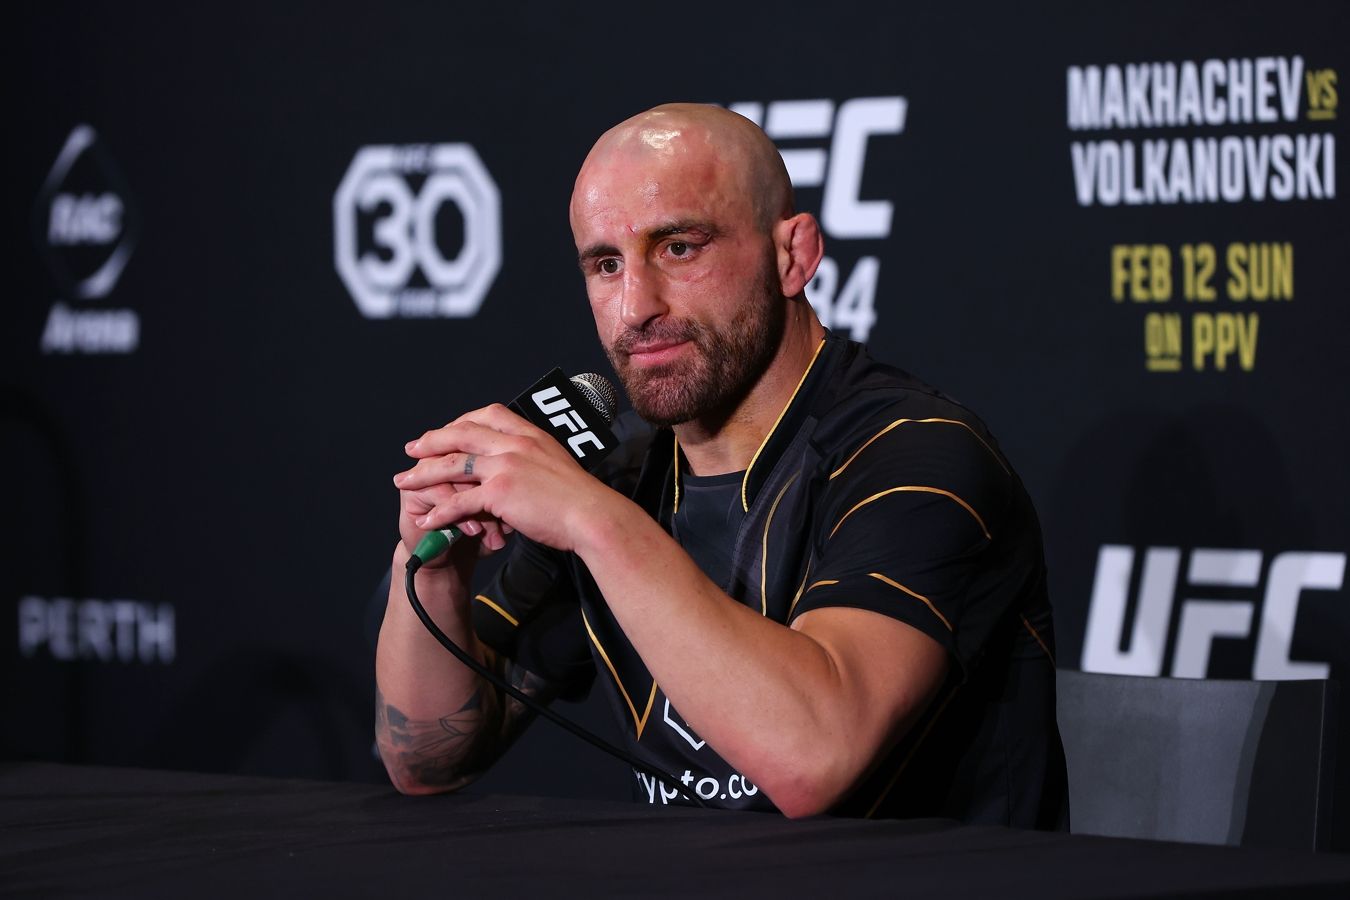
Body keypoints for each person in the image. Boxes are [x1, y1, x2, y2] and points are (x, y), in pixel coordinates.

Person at [375, 103, 1067, 826]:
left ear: (792, 256)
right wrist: (437, 568)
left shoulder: (919, 454)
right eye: (607, 264)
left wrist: (593, 523)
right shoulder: (620, 479)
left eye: (679, 248)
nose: (635, 307)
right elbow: (428, 763)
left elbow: (814, 760)